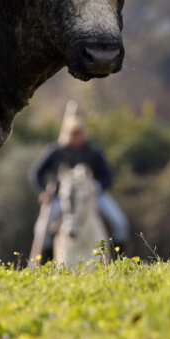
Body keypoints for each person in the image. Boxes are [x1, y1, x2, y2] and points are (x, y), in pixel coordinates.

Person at [29, 101, 131, 257]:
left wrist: (97, 186)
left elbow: (109, 177)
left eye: (79, 132)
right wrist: (42, 192)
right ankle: (48, 262)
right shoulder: (55, 151)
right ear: (66, 133)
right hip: (62, 198)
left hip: (92, 196)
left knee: (120, 223)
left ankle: (119, 260)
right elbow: (35, 173)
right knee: (41, 229)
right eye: (73, 133)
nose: (76, 136)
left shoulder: (94, 152)